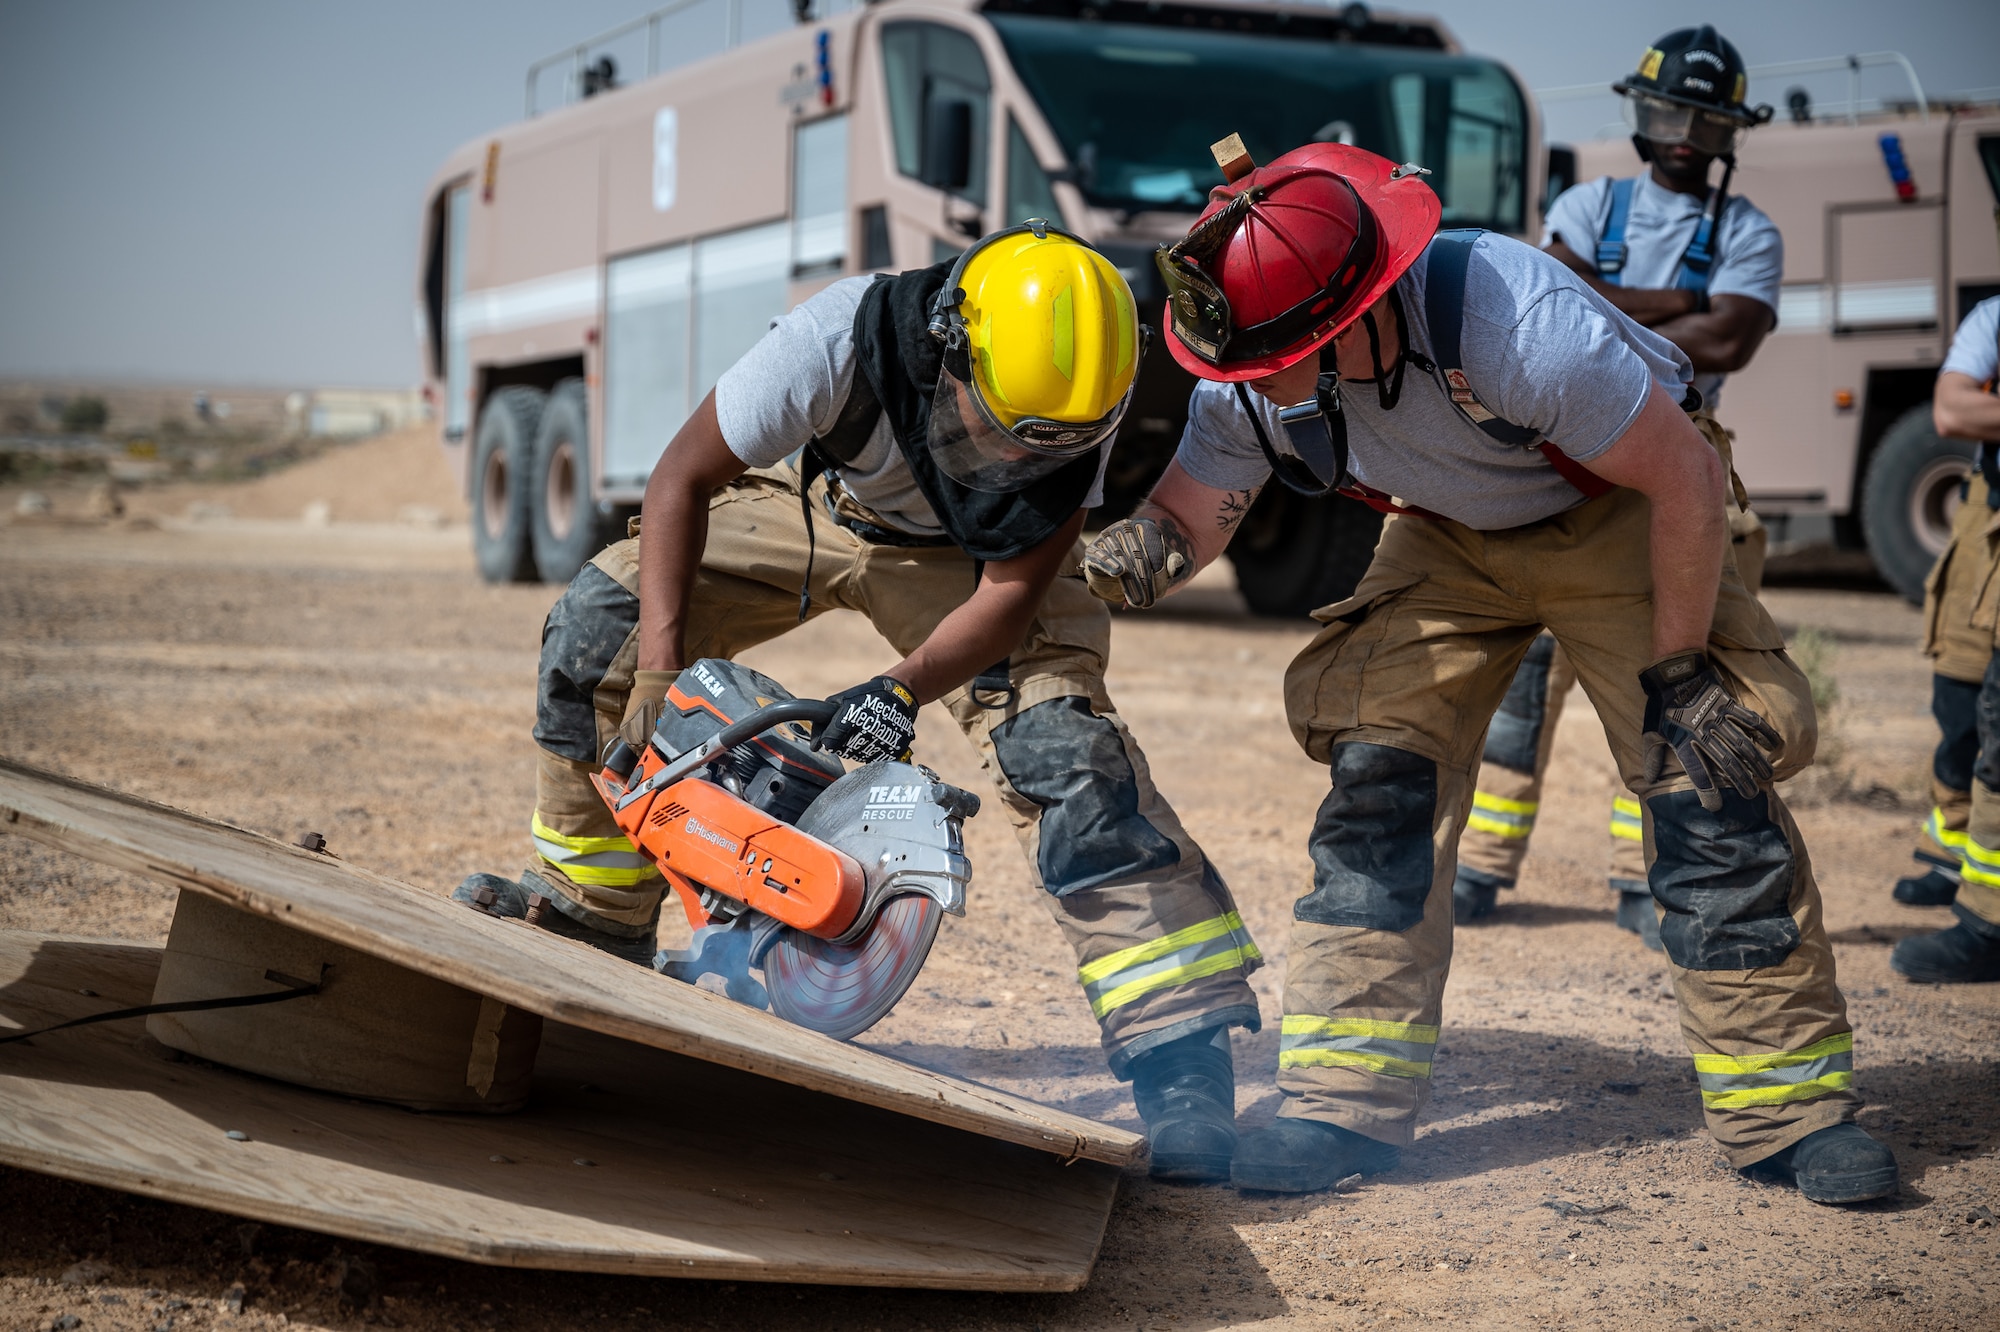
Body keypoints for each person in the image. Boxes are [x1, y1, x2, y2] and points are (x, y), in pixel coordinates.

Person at [1084, 139, 1896, 1204]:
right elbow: (1184, 520)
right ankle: (1340, 1101)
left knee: (1705, 784)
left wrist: (1683, 669)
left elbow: (1686, 479)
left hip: (1625, 515)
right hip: (1449, 539)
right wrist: (1106, 562)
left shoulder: (1514, 326)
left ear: (1348, 320)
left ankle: (1788, 1109)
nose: (1239, 390)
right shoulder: (1246, 377)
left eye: (1261, 367)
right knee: (1378, 787)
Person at [453, 222, 1263, 1179]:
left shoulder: (1082, 390)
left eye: (1031, 448)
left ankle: (1182, 1057)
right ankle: (599, 909)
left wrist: (898, 688)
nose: (1009, 459)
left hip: (974, 569)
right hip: (822, 511)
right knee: (603, 628)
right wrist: (665, 673)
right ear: (949, 344)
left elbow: (1009, 595)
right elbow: (681, 479)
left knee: (1065, 755)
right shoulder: (834, 339)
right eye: (992, 427)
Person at [1453, 25, 1780, 942]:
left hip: (1676, 468)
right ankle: (1481, 867)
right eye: (1668, 111)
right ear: (1641, 116)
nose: (1682, 134)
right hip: (1565, 470)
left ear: (1729, 133)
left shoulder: (1750, 231)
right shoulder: (1592, 200)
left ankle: (1643, 879)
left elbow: (1729, 342)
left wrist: (1607, 294)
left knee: (1661, 680)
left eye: (1703, 121)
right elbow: (1554, 295)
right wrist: (1681, 302)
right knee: (1523, 684)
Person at [1891, 295, 2000, 984]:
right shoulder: (1993, 316)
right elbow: (1953, 410)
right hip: (1987, 509)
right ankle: (1954, 854)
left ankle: (1986, 914)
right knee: (1959, 701)